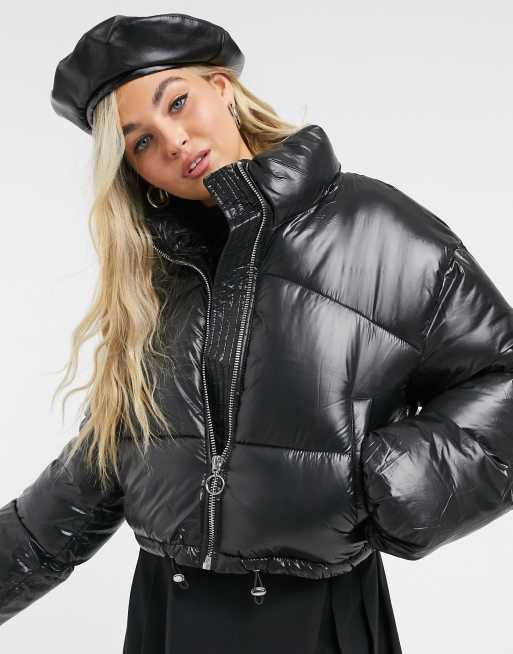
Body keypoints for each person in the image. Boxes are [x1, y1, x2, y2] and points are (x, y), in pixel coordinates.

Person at [1, 12, 513, 654]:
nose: (174, 142)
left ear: (222, 88)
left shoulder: (375, 228)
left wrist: (387, 480)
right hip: (168, 612)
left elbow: (502, 374)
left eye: (178, 102)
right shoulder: (152, 277)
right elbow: (99, 465)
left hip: (316, 613)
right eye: (141, 142)